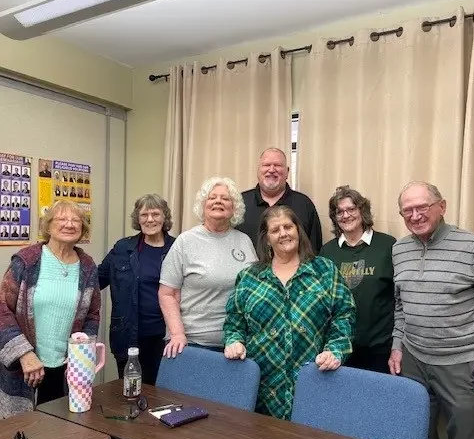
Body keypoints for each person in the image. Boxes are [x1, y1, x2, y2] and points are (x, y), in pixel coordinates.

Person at [224, 205, 355, 420]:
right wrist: (234, 341)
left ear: (298, 231)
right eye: (275, 230)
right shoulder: (249, 276)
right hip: (262, 390)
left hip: (313, 381)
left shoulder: (325, 270)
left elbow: (344, 316)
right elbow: (234, 321)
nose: (283, 233)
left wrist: (335, 350)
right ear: (267, 239)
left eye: (288, 227)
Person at [388, 181, 474, 439]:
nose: (415, 216)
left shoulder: (473, 246)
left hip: (461, 363)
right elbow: (400, 304)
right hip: (413, 359)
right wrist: (397, 346)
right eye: (407, 211)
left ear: (442, 206)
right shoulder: (399, 249)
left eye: (422, 207)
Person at [0, 200, 100, 418]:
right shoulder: (26, 261)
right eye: (62, 219)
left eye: (76, 220)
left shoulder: (88, 267)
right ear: (48, 225)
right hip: (25, 368)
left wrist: (81, 355)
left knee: (63, 428)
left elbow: (92, 315)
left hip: (67, 369)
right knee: (23, 429)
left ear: (83, 228)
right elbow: (3, 310)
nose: (69, 224)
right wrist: (24, 354)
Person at [159, 177, 257, 358]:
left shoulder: (244, 241)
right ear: (203, 205)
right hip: (193, 343)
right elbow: (167, 293)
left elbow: (254, 290)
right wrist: (177, 334)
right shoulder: (186, 241)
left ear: (234, 208)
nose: (218, 201)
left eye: (225, 198)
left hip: (237, 344)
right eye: (212, 197)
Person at [99, 194, 175, 385]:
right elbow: (96, 280)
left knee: (163, 392)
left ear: (164, 217)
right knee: (130, 390)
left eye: (155, 214)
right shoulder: (123, 248)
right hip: (128, 336)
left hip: (166, 337)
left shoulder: (177, 248)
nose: (150, 219)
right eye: (144, 215)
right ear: (137, 218)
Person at [320, 186, 395, 373]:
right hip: (340, 347)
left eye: (351, 209)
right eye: (339, 212)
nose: (345, 215)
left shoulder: (388, 246)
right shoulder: (327, 251)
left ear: (362, 210)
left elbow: (401, 296)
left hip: (380, 348)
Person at [237, 147, 322, 253]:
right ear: (258, 170)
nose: (272, 170)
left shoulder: (304, 205)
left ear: (287, 172)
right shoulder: (239, 203)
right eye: (266, 165)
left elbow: (314, 250)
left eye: (278, 165)